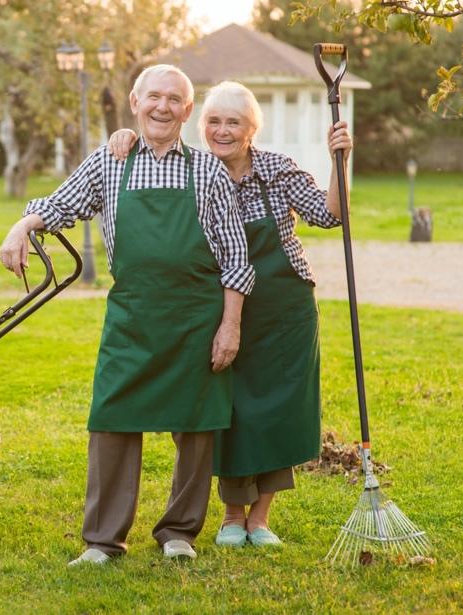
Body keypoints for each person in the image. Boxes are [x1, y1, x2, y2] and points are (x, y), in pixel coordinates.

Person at [0, 65, 254, 565]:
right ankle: (103, 540)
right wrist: (22, 226)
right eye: (153, 96)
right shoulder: (109, 161)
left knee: (198, 426)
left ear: (187, 110)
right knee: (111, 419)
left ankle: (179, 532)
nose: (162, 106)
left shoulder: (208, 171)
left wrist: (230, 325)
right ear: (135, 102)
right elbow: (61, 204)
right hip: (133, 315)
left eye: (173, 99)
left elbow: (235, 257)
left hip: (196, 316)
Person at [108, 80, 353, 547]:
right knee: (229, 409)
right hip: (218, 310)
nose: (223, 131)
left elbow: (329, 215)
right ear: (201, 125)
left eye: (233, 122)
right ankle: (231, 515)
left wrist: (342, 159)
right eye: (214, 122)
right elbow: (147, 154)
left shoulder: (277, 171)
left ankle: (260, 517)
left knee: (279, 409)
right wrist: (127, 137)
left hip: (284, 309)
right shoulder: (193, 170)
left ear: (251, 129)